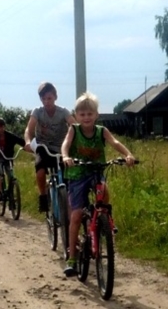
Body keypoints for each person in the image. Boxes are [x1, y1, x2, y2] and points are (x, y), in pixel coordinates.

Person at [60, 92, 135, 277]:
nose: (86, 117)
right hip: (77, 174)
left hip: (96, 170)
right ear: (76, 115)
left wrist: (128, 154)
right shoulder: (74, 130)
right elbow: (66, 144)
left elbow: (115, 142)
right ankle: (72, 257)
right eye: (82, 114)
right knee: (76, 215)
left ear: (96, 115)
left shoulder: (102, 131)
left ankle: (106, 219)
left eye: (90, 114)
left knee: (104, 190)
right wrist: (66, 156)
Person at [23, 82, 76, 212]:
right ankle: (43, 196)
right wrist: (28, 142)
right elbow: (29, 129)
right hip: (44, 147)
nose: (46, 102)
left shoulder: (63, 112)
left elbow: (74, 125)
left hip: (61, 149)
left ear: (55, 97)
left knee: (68, 177)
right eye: (43, 99)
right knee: (40, 170)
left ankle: (69, 206)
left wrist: (75, 137)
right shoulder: (38, 112)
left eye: (49, 98)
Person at [0, 117, 25, 199]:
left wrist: (26, 146)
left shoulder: (10, 136)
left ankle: (10, 194)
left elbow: (21, 141)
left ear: (2, 127)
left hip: (8, 158)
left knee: (10, 175)